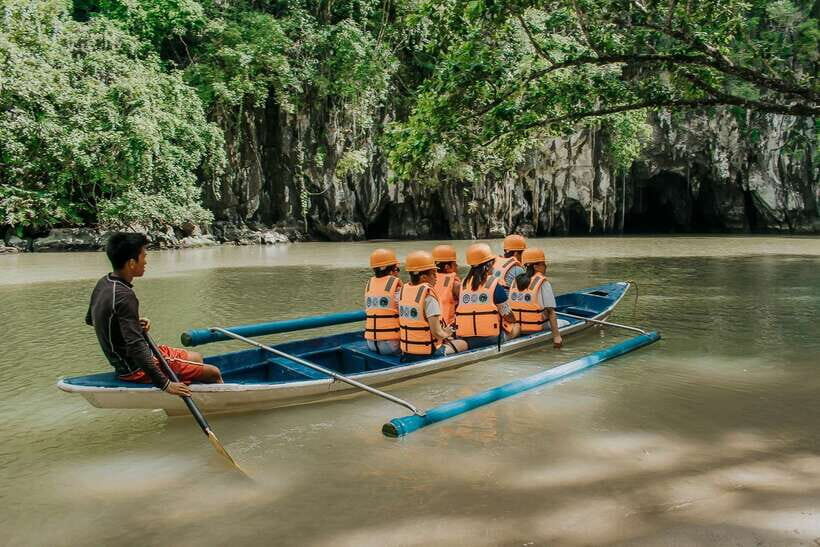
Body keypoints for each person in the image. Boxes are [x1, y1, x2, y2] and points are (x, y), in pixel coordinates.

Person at [85, 232, 222, 396]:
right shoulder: (125, 296)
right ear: (131, 263)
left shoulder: (104, 283)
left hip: (132, 359)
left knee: (196, 357)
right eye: (144, 256)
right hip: (135, 368)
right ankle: (222, 404)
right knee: (214, 372)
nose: (146, 261)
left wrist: (132, 323)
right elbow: (136, 347)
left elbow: (91, 319)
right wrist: (165, 384)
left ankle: (191, 385)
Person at [398, 251, 467, 357]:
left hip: (407, 351)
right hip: (429, 352)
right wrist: (447, 333)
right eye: (433, 274)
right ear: (423, 277)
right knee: (463, 343)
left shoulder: (403, 291)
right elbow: (437, 333)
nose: (436, 277)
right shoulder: (428, 297)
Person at [455, 243, 520, 349]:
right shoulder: (494, 285)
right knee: (517, 326)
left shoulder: (463, 285)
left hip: (466, 337)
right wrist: (514, 321)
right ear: (488, 265)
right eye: (493, 263)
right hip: (491, 338)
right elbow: (507, 314)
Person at [510, 247, 563, 348]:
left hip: (517, 328)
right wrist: (557, 336)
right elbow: (551, 312)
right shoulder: (542, 282)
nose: (545, 266)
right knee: (565, 322)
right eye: (543, 264)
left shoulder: (515, 281)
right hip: (536, 328)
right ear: (535, 266)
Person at [364, 248, 403, 355]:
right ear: (392, 269)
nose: (397, 272)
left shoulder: (369, 284)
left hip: (370, 343)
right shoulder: (396, 286)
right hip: (391, 345)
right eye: (397, 269)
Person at [431, 244, 460, 327]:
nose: (457, 266)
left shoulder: (427, 281)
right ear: (447, 267)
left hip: (432, 328)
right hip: (448, 328)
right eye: (454, 264)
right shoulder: (455, 284)